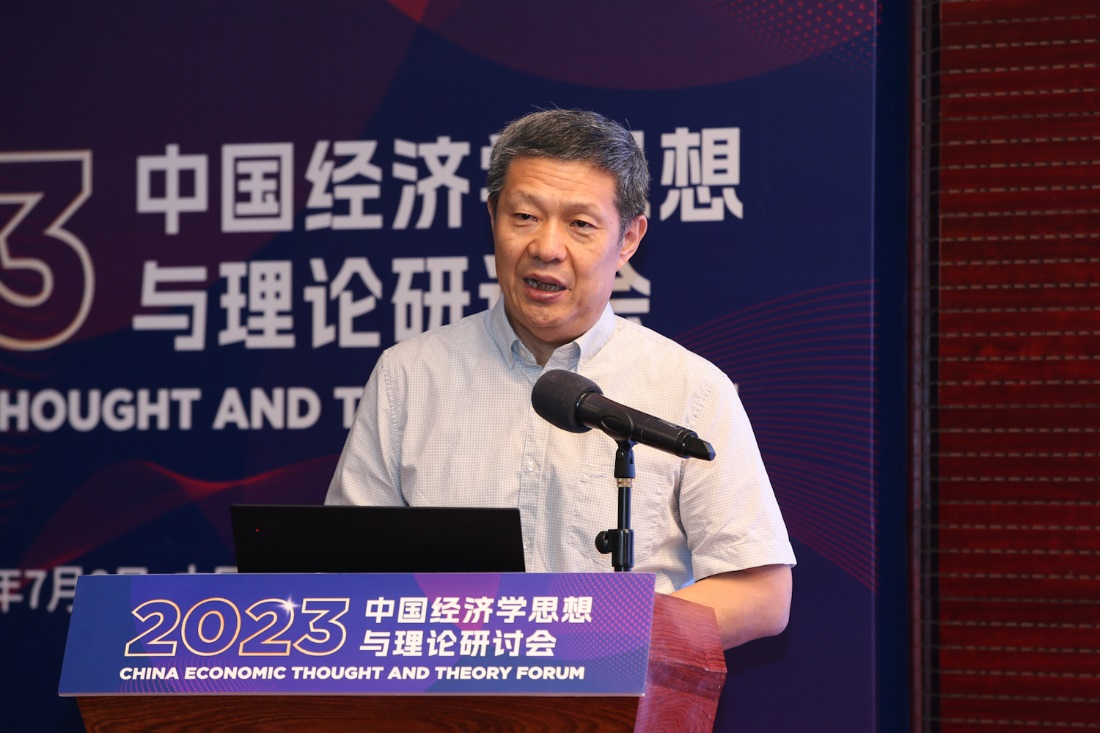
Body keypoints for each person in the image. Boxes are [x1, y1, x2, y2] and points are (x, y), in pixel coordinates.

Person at [326, 108, 795, 649]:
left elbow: (760, 593)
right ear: (492, 217)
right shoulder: (409, 376)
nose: (547, 248)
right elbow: (343, 571)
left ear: (628, 238)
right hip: (446, 690)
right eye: (524, 216)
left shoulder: (688, 387)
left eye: (581, 224)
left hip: (617, 693)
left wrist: (587, 642)